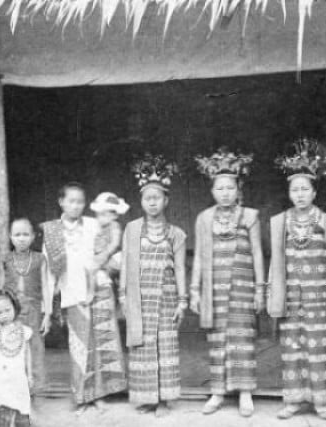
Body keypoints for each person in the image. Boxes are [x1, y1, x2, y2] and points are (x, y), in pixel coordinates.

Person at [268, 139, 326, 420]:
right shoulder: (281, 222)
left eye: (304, 189)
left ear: (314, 192)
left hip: (319, 296)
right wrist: (271, 292)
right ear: (289, 194)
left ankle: (321, 401)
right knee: (292, 348)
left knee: (318, 347)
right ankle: (294, 400)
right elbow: (276, 261)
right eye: (295, 190)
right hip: (290, 296)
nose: (300, 195)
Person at [190, 148, 265, 417]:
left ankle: (245, 392)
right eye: (220, 188)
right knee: (217, 339)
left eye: (230, 188)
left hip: (242, 287)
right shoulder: (204, 218)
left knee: (243, 337)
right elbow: (199, 256)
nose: (225, 193)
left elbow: (257, 253)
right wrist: (195, 291)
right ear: (212, 191)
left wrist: (260, 289)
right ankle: (218, 392)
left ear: (238, 189)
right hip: (214, 290)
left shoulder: (250, 216)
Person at [41, 183, 127, 413]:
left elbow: (111, 243)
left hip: (99, 290)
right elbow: (49, 273)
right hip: (73, 294)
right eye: (71, 201)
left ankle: (99, 395)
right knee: (79, 347)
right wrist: (47, 310)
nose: (76, 206)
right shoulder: (52, 232)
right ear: (61, 202)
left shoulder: (92, 223)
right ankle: (81, 396)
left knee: (101, 344)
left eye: (80, 201)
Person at [120, 153, 187, 417]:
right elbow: (126, 265)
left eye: (157, 197)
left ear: (166, 200)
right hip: (140, 300)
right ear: (141, 201)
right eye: (147, 198)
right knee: (143, 347)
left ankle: (164, 400)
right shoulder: (132, 230)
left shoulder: (176, 233)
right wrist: (123, 297)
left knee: (165, 347)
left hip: (166, 298)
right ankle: (147, 398)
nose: (152, 202)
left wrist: (182, 302)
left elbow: (179, 268)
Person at [2, 217, 53, 394]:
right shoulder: (7, 259)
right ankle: (16, 384)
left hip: (34, 309)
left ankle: (36, 386)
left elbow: (46, 287)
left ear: (33, 237)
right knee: (12, 344)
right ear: (10, 237)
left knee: (35, 345)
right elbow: (3, 286)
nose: (21, 238)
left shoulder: (40, 258)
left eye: (25, 234)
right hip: (12, 310)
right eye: (17, 235)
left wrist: (47, 315)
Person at [0, 291, 34, 427]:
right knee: (3, 405)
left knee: (20, 403)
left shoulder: (24, 330)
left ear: (15, 308)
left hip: (17, 376)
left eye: (7, 310)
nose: (4, 315)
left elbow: (27, 354)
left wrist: (29, 375)